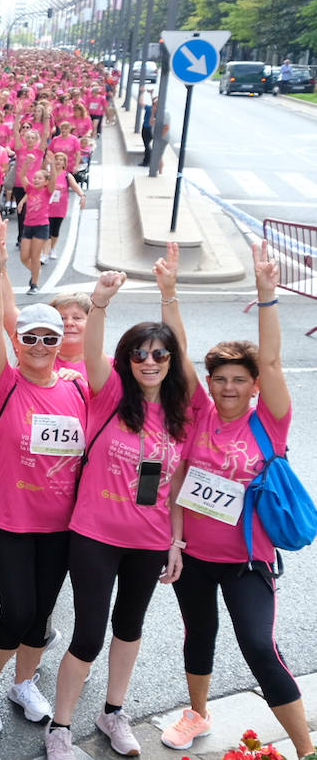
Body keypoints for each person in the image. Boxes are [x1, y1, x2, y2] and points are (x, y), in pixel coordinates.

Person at [160, 242, 317, 760]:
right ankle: (197, 713)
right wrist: (169, 295)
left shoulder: (268, 421)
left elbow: (270, 357)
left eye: (239, 381)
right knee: (197, 634)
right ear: (210, 384)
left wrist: (267, 293)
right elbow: (179, 354)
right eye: (220, 379)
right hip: (196, 557)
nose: (228, 388)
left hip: (249, 562)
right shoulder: (201, 413)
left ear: (254, 387)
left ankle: (304, 747)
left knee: (258, 647)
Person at [44, 254, 198, 760]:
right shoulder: (109, 394)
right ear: (126, 360)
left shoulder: (180, 412)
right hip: (94, 534)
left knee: (129, 628)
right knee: (88, 634)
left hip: (149, 541)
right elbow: (92, 354)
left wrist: (175, 539)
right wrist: (99, 304)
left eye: (159, 354)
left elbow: (174, 482)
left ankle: (113, 713)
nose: (149, 361)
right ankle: (59, 727)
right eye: (139, 354)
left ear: (171, 361)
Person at [0, 216, 86, 738]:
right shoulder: (5, 383)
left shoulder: (79, 389)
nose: (39, 344)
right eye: (31, 337)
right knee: (16, 611)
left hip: (61, 524)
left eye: (49, 337)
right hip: (12, 520)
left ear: (61, 341)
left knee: (40, 615)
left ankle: (23, 682)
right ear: (19, 342)